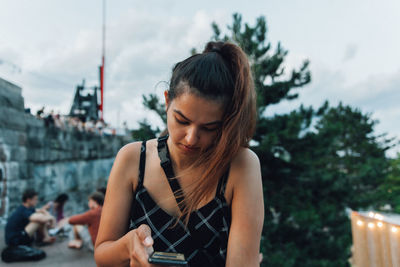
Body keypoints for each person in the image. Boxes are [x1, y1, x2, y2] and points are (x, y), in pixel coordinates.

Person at [94, 41, 264, 267]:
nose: (191, 138)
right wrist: (128, 246)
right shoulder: (133, 159)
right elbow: (102, 255)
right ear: (166, 101)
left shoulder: (240, 166)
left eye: (210, 128)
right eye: (182, 120)